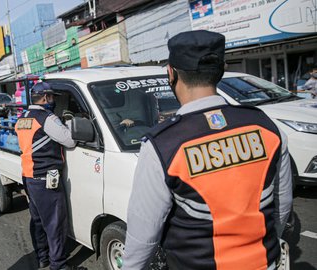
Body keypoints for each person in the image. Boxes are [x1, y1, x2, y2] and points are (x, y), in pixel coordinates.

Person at [123, 30, 293, 269]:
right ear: (220, 70)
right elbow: (281, 207)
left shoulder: (162, 145)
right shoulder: (265, 126)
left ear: (171, 73)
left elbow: (143, 235)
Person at [15, 82, 76, 270]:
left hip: (28, 176)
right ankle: (58, 264)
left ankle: (43, 257)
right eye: (51, 97)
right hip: (45, 178)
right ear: (45, 98)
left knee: (38, 220)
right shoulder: (46, 118)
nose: (53, 101)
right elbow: (70, 140)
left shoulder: (23, 117)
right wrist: (68, 122)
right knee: (55, 223)